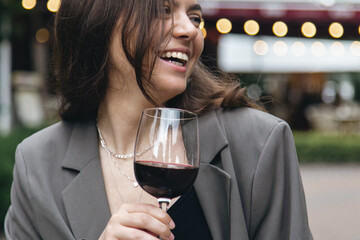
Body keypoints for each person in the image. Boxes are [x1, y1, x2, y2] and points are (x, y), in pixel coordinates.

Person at [4, 0, 313, 239]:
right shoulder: (36, 166)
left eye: (195, 17)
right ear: (99, 20)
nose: (190, 30)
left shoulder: (258, 144)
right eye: (162, 10)